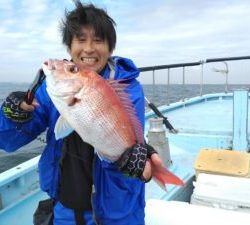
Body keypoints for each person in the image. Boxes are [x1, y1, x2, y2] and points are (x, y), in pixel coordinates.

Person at [0, 1, 162, 225]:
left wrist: (135, 156)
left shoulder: (127, 87)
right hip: (66, 210)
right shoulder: (50, 90)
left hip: (120, 211)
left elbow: (128, 137)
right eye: (80, 40)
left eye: (98, 40)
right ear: (69, 47)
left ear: (110, 48)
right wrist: (14, 115)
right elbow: (7, 141)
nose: (88, 49)